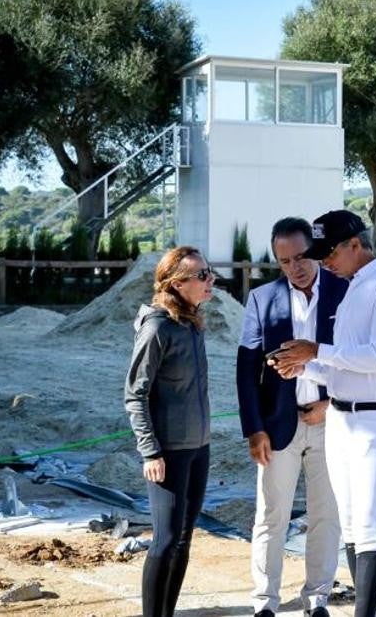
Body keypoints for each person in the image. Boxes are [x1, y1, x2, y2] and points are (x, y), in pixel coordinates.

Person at [271, 210, 376, 617]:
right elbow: (343, 364)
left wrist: (316, 351)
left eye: (328, 252)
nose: (324, 262)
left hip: (373, 419)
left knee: (368, 524)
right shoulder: (353, 286)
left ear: (356, 244)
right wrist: (303, 365)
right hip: (341, 417)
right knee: (350, 525)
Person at [237, 217, 348, 617]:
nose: (295, 267)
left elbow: (358, 360)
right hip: (278, 425)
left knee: (326, 516)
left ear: (314, 252)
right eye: (285, 261)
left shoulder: (345, 290)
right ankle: (263, 604)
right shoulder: (261, 299)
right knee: (270, 516)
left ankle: (317, 599)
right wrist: (254, 428)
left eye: (301, 256)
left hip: (330, 423)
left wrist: (332, 403)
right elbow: (246, 369)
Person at [124, 247, 215, 617]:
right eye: (203, 275)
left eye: (209, 272)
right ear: (178, 283)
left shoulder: (191, 322)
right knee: (164, 541)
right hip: (168, 452)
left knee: (184, 539)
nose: (211, 280)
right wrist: (150, 451)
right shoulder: (157, 327)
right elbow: (135, 394)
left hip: (199, 448)